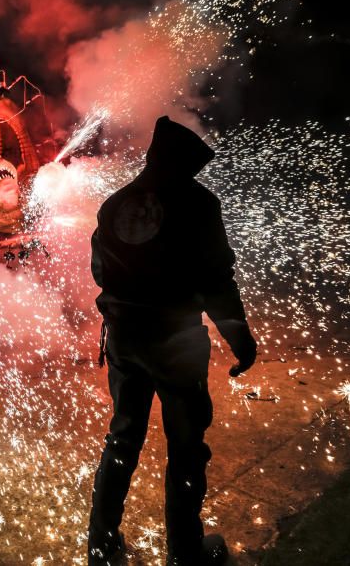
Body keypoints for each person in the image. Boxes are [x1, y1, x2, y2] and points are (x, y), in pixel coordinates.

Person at [88, 116, 257, 566]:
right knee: (185, 449)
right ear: (181, 164)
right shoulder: (199, 204)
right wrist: (241, 342)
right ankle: (185, 552)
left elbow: (100, 273)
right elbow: (218, 281)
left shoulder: (114, 205)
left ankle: (102, 546)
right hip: (177, 345)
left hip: (125, 339)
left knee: (123, 439)